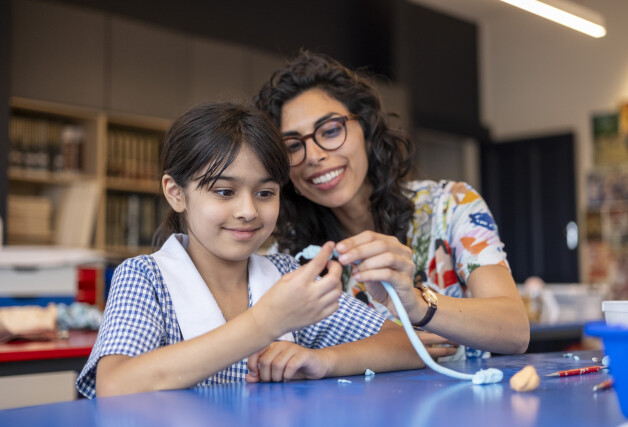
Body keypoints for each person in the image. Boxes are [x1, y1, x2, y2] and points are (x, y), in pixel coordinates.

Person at [76, 102, 431, 399]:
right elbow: (114, 384)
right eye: (224, 192)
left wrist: (323, 360)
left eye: (265, 193)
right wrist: (265, 323)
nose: (248, 211)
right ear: (176, 193)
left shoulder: (286, 275)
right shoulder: (144, 277)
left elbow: (413, 345)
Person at [255, 51, 530, 358]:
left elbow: (515, 332)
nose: (315, 156)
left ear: (367, 129)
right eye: (293, 146)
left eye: (331, 130)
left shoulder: (451, 206)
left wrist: (414, 303)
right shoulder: (287, 258)